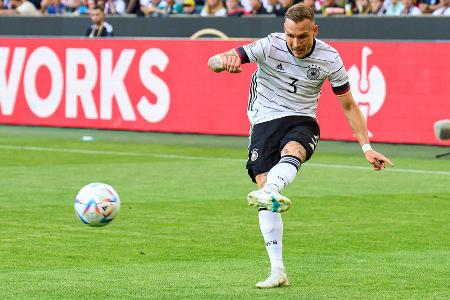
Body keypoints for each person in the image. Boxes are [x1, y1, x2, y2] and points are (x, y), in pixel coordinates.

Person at [207, 3, 393, 289]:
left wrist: (366, 147)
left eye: (303, 36)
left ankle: (272, 188)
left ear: (315, 30)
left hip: (302, 118)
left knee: (294, 151)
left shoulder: (330, 58)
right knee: (264, 191)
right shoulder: (269, 45)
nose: (295, 43)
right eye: (291, 35)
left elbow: (348, 104)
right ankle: (277, 270)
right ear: (284, 30)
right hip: (264, 120)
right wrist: (224, 61)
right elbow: (215, 60)